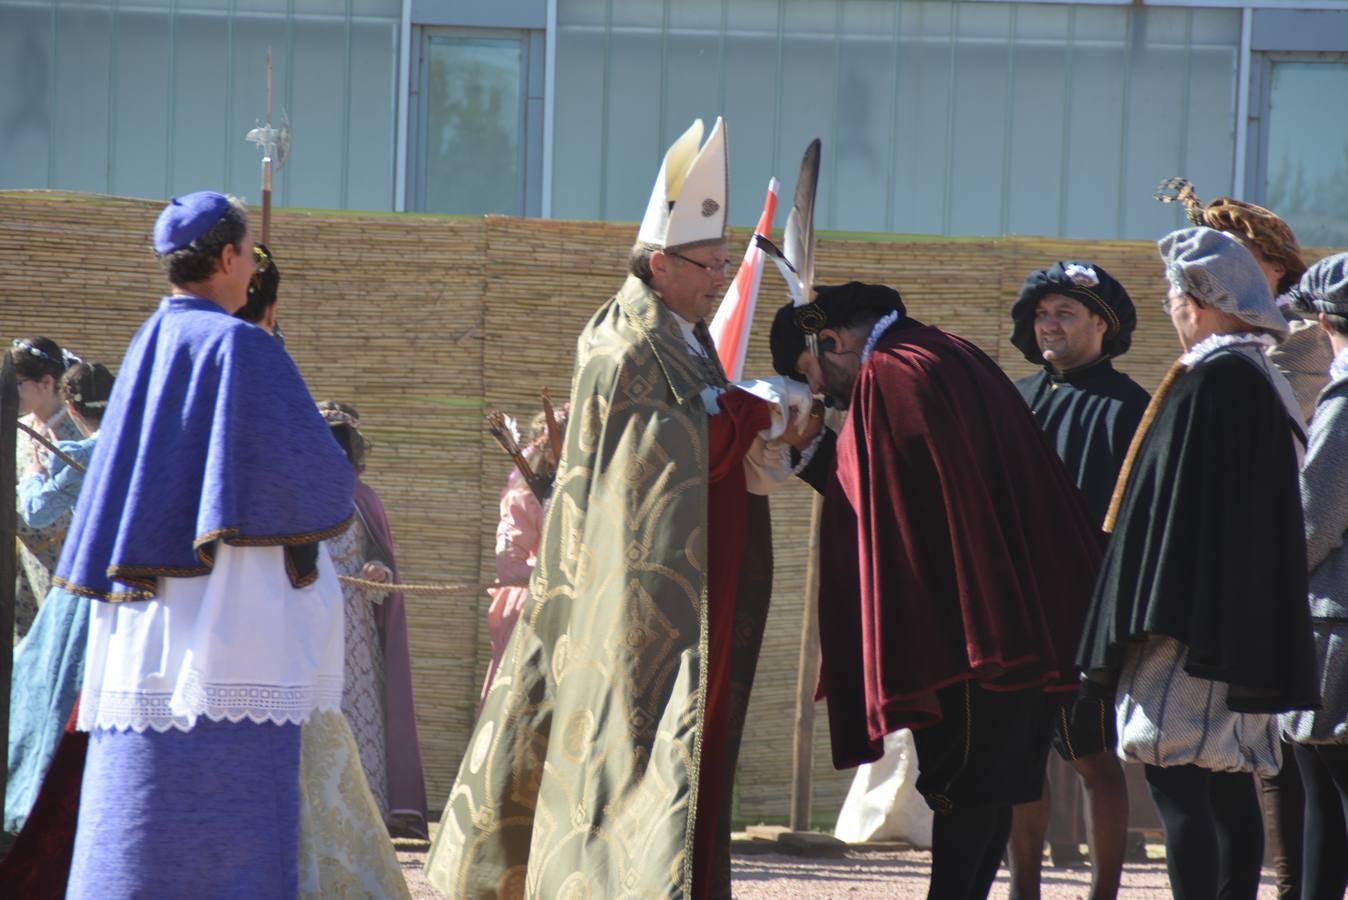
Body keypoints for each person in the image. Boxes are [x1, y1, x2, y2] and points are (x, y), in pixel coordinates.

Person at [425, 118, 809, 898]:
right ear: (661, 264)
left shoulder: (685, 335)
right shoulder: (623, 344)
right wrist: (751, 412)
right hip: (635, 601)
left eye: (725, 263)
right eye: (709, 264)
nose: (721, 279)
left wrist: (762, 420)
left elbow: (705, 426)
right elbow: (660, 456)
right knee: (626, 756)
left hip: (695, 584)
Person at [57, 192, 357, 899]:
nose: (253, 266)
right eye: (249, 253)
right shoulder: (240, 346)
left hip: (143, 617)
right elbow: (321, 482)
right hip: (230, 618)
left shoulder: (145, 341)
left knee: (140, 803)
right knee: (233, 814)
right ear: (226, 257)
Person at [769, 280, 1103, 900]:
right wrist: (815, 449)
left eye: (809, 372)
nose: (817, 392)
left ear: (831, 341)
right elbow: (893, 490)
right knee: (989, 792)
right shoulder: (944, 350)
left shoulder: (892, 375)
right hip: (1017, 617)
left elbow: (890, 513)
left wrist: (810, 450)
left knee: (965, 791)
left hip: (969, 632)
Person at [1075, 226, 1318, 900]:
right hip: (1228, 619)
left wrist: (1151, 615)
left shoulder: (1219, 380)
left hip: (1191, 628)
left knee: (1177, 779)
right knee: (1224, 781)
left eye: (1175, 300)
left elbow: (1182, 518)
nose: (1172, 313)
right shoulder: (1253, 376)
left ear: (1202, 302)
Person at [1005, 262, 1150, 899]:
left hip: (1086, 614)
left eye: (1065, 312)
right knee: (1019, 759)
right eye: (1042, 314)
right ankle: (1024, 889)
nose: (1050, 324)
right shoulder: (1013, 400)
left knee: (1092, 756)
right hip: (1013, 609)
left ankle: (1104, 892)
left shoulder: (1131, 409)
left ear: (1102, 323)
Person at [5, 362, 114, 834]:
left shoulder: (84, 452)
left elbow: (37, 510)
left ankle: (46, 790)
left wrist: (32, 473)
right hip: (143, 585)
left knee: (48, 676)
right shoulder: (141, 447)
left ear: (70, 406)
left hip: (86, 584)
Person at [319, 399, 429, 838]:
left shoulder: (364, 500)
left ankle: (363, 811)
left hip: (354, 632)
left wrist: (376, 573)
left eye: (339, 443)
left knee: (354, 712)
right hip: (304, 624)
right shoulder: (292, 499)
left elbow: (381, 564)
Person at [1279, 253, 1348, 900]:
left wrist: (1262, 583)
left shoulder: (1345, 402)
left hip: (1337, 623)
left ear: (1324, 322)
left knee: (1325, 791)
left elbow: (1314, 519)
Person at [480, 405, 569, 711]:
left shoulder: (589, 493)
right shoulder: (524, 498)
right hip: (533, 608)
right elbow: (509, 568)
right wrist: (563, 574)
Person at [11, 335, 83, 639]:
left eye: (18, 383)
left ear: (46, 382)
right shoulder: (21, 427)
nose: (11, 391)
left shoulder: (73, 434)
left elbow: (62, 510)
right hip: (27, 558)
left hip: (65, 561)